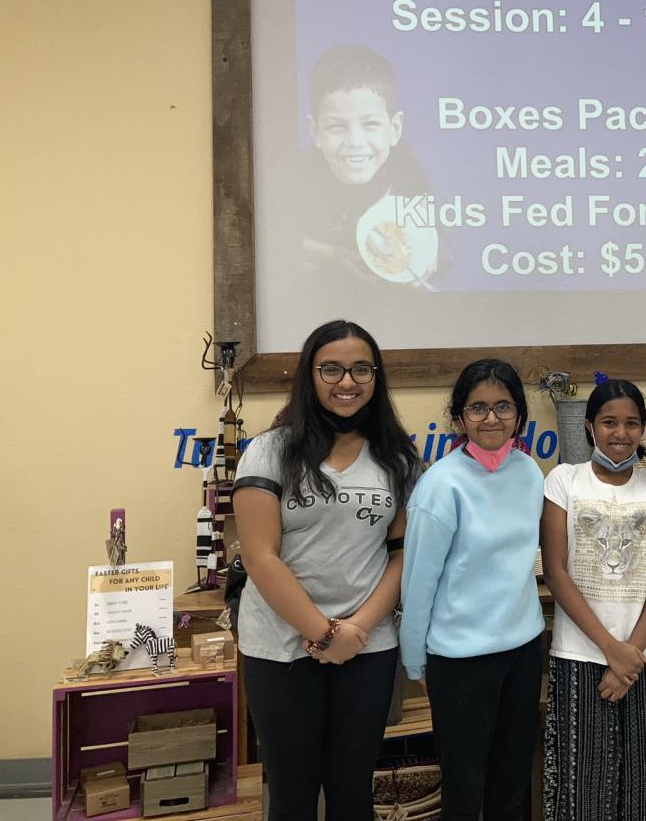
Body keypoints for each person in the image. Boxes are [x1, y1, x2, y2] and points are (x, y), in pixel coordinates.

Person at [232, 320, 422, 821]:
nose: (347, 382)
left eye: (361, 369)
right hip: (281, 649)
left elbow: (401, 554)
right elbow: (260, 556)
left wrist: (355, 631)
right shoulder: (270, 451)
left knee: (353, 792)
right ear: (310, 376)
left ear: (376, 377)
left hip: (366, 647)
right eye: (331, 369)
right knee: (292, 797)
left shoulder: (397, 459)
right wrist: (324, 634)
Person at [400, 359, 544, 821]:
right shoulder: (441, 485)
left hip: (522, 650)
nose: (491, 418)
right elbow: (418, 581)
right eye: (478, 408)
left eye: (503, 406)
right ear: (459, 419)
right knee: (464, 789)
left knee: (512, 782)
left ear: (519, 415)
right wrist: (415, 659)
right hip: (460, 659)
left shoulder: (529, 472)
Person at [540, 379, 646, 821]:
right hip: (579, 653)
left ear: (643, 429)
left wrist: (630, 655)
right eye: (609, 422)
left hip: (645, 657)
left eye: (631, 423)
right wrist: (611, 649)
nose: (620, 433)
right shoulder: (564, 480)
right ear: (589, 427)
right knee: (582, 788)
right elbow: (556, 572)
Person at [297, 44, 434, 288]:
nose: (355, 142)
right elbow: (282, 239)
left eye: (370, 124)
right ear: (315, 131)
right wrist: (331, 255)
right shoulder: (299, 172)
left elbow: (424, 221)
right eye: (336, 126)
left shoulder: (405, 165)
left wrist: (428, 255)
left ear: (395, 129)